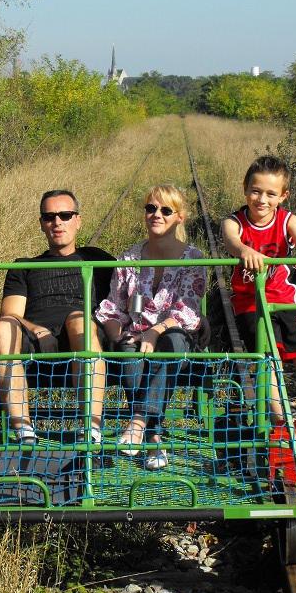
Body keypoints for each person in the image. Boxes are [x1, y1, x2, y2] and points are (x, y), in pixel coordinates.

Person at [221, 155, 296, 487]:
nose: (262, 200)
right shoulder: (234, 222)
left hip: (286, 302)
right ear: (245, 189)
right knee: (269, 362)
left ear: (283, 196)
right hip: (251, 304)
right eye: (256, 191)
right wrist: (244, 250)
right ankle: (283, 424)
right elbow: (232, 241)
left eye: (270, 194)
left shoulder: (288, 220)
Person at [0, 190, 114, 444]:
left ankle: (91, 429)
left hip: (83, 337)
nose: (57, 222)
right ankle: (23, 430)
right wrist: (37, 330)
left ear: (78, 220)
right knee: (0, 326)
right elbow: (12, 313)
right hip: (36, 341)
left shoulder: (98, 260)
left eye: (65, 215)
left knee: (78, 319)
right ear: (42, 223)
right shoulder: (24, 266)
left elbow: (132, 291)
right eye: (49, 217)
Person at [95, 184, 207, 470]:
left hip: (173, 335)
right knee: (130, 351)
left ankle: (139, 422)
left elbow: (188, 312)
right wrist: (117, 336)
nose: (156, 214)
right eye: (151, 208)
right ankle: (154, 437)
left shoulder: (193, 259)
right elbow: (113, 307)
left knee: (171, 345)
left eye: (166, 210)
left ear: (179, 217)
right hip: (136, 334)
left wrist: (155, 331)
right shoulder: (129, 259)